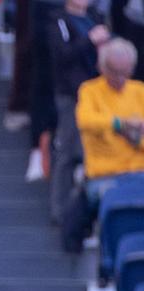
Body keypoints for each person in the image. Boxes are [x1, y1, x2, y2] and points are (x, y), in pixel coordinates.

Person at [66, 38, 144, 252]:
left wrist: (134, 139)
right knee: (112, 200)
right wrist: (121, 124)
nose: (119, 78)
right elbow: (86, 121)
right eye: (114, 71)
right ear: (101, 67)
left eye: (124, 72)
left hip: (139, 172)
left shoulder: (139, 92)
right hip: (104, 175)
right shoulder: (90, 91)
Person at [46, 0, 109, 224]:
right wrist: (89, 41)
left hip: (100, 94)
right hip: (71, 94)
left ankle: (91, 214)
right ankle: (60, 210)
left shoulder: (96, 17)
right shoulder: (58, 20)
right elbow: (62, 55)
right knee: (68, 154)